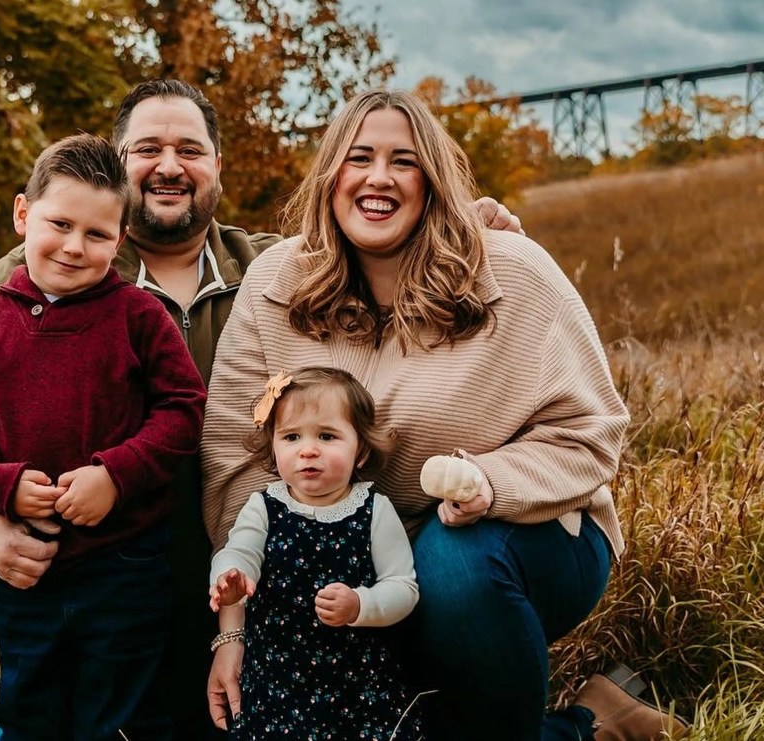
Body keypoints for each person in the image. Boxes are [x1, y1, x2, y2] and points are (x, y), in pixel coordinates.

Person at [0, 78, 524, 741]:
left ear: (217, 168)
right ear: (115, 167)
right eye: (147, 148)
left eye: (190, 150)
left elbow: (388, 272)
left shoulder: (280, 269)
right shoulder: (41, 273)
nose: (170, 166)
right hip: (100, 576)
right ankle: (15, 701)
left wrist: (461, 224)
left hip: (263, 586)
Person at [200, 90, 689, 740]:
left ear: (431, 181)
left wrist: (492, 483)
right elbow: (233, 462)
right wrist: (289, 584)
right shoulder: (273, 286)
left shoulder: (513, 274)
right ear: (330, 177)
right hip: (343, 559)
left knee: (452, 566)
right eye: (359, 157)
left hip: (519, 535)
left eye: (402, 161)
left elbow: (591, 432)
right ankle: (596, 721)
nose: (378, 177)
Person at [0, 133, 207, 740]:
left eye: (98, 235)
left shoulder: (139, 317)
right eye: (60, 224)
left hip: (127, 563)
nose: (75, 247)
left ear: (121, 240)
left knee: (122, 714)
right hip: (30, 566)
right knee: (31, 704)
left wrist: (116, 474)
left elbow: (184, 410)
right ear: (24, 214)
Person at [209, 367, 421, 740]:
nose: (308, 449)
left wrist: (361, 604)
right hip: (278, 678)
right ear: (273, 447)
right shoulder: (264, 506)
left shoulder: (374, 509)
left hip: (357, 679)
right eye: (291, 436)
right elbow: (239, 552)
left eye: (327, 435)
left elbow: (403, 586)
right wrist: (231, 576)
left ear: (361, 451)